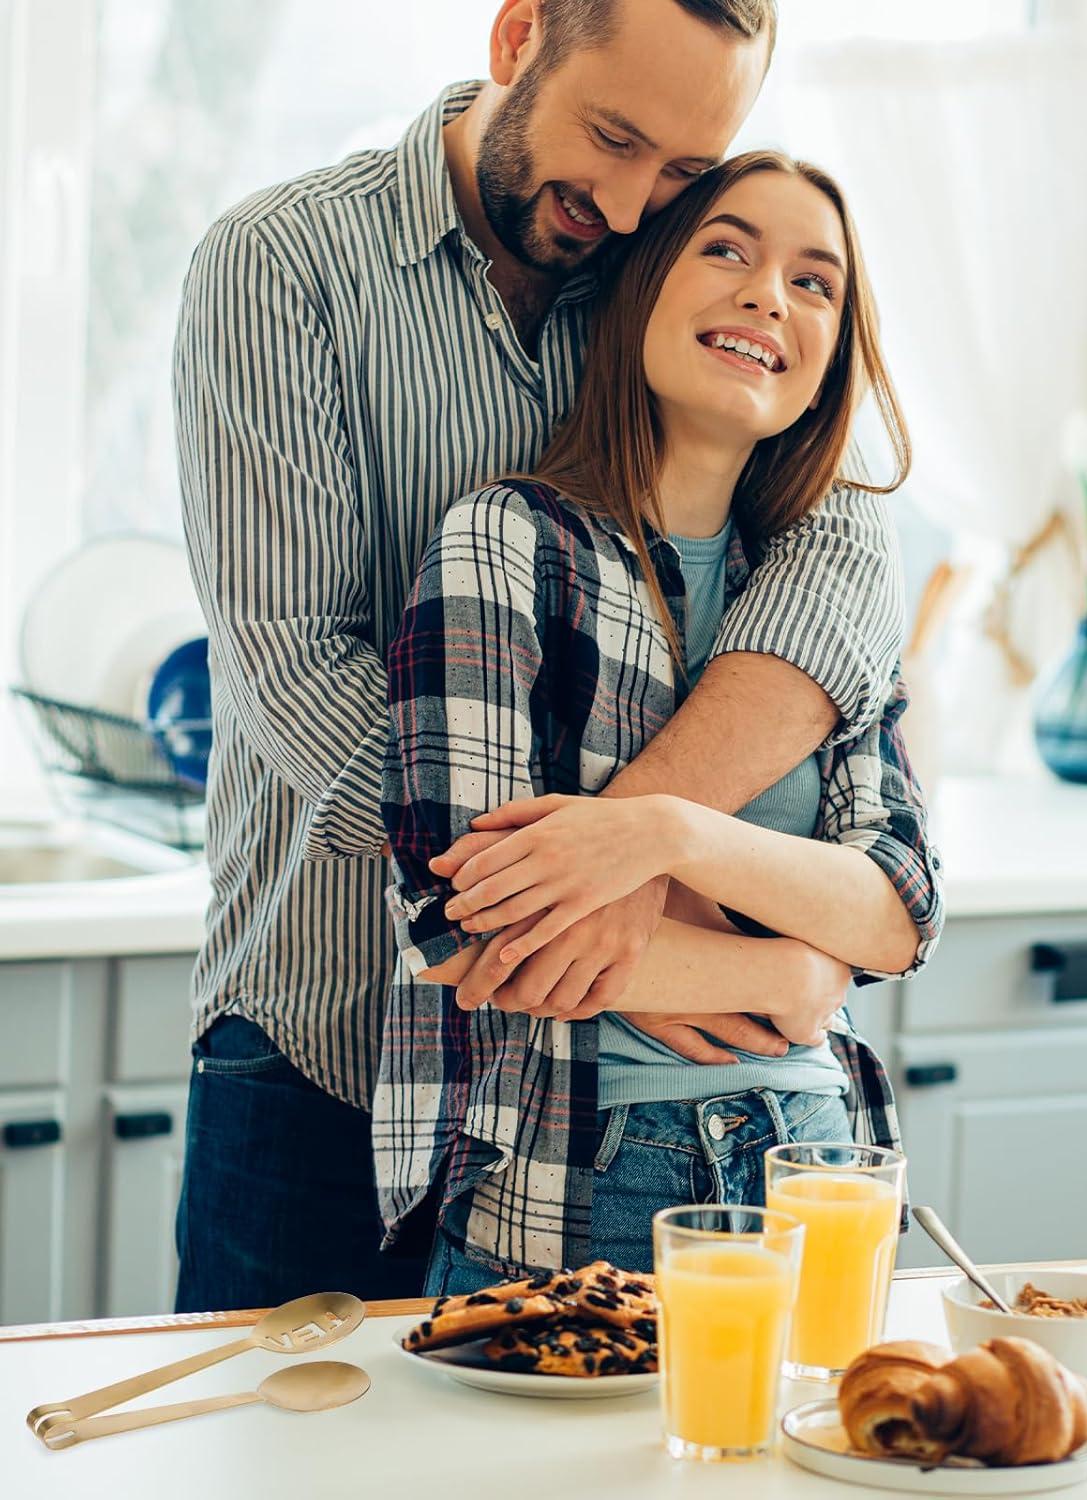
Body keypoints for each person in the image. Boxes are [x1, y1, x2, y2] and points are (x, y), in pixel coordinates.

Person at [172, 0, 908, 1312]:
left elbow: (836, 558)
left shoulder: (678, 277)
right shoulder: (282, 266)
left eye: (681, 174)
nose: (630, 210)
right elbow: (291, 668)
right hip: (322, 1044)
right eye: (612, 139)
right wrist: (624, 920)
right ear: (518, 38)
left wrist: (644, 862)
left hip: (570, 1111)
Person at [380, 149, 945, 1290]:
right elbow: (466, 928)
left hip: (823, 1165)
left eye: (815, 281)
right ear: (642, 285)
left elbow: (896, 910)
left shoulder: (818, 586)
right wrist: (783, 977)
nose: (767, 295)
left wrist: (670, 835)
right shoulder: (508, 545)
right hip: (583, 1170)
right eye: (727, 249)